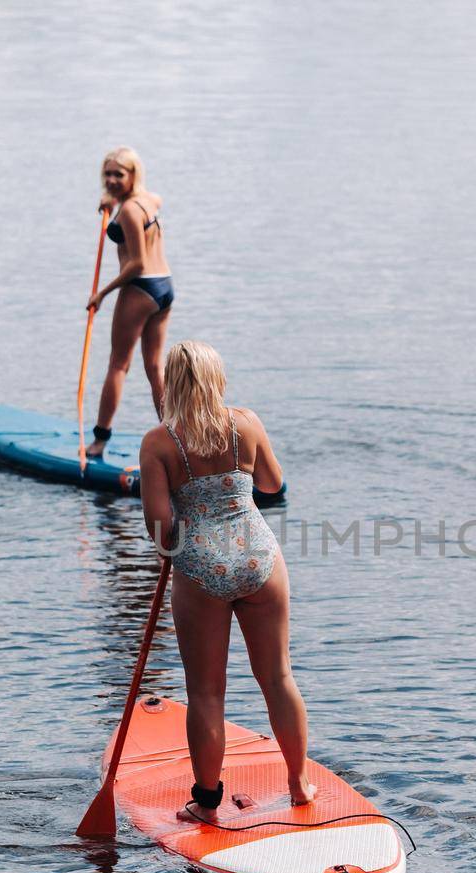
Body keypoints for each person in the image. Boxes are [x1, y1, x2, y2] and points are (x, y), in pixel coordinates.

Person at [138, 340, 313, 822]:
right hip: (259, 558)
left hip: (200, 568)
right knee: (278, 676)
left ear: (172, 384)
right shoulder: (246, 423)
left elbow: (159, 525)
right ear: (218, 379)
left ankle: (208, 801)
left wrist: (170, 519)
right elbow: (273, 485)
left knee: (207, 692)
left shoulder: (159, 442)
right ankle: (298, 784)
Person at [85, 146, 172, 459]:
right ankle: (174, 436)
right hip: (164, 286)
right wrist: (114, 201)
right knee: (154, 367)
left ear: (133, 175)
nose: (110, 180)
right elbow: (157, 198)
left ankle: (99, 440)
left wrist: (102, 294)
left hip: (141, 286)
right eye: (107, 174)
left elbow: (136, 262)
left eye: (118, 175)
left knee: (118, 365)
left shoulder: (132, 211)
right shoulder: (147, 201)